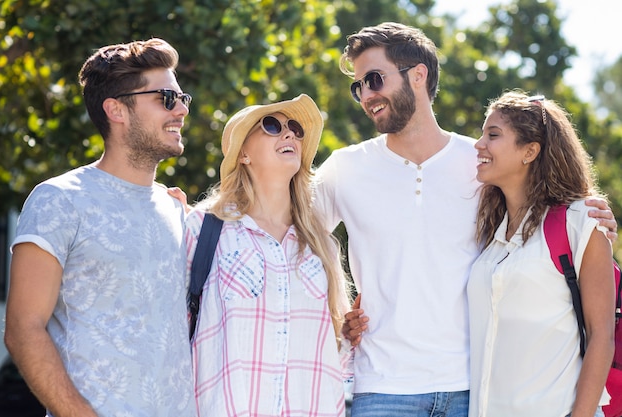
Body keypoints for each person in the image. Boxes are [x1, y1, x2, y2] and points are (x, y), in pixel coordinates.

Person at [313, 22, 617, 417]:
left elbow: (541, 215)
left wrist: (594, 216)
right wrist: (336, 317)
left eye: (374, 79)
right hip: (384, 387)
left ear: (417, 75)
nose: (367, 95)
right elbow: (289, 234)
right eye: (359, 87)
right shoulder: (345, 169)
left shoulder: (481, 165)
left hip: (474, 391)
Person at [4, 38, 197, 417]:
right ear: (116, 110)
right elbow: (23, 330)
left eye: (182, 98)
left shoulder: (176, 211)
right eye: (166, 99)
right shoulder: (59, 200)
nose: (181, 111)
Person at [186, 94, 353, 417]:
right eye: (272, 126)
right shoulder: (203, 230)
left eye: (295, 129)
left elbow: (339, 351)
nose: (289, 134)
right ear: (243, 154)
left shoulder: (321, 245)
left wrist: (349, 332)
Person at [468, 90, 614, 417]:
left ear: (530, 151)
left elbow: (601, 338)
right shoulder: (491, 238)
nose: (479, 144)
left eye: (493, 135)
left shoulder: (581, 221)